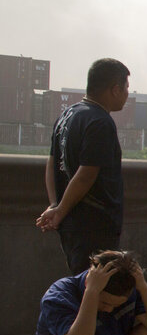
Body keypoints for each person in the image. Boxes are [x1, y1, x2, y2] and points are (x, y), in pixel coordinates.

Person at [37, 59, 131, 274]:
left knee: (80, 282)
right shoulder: (100, 122)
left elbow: (52, 162)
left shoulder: (68, 115)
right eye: (126, 87)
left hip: (71, 223)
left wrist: (55, 204)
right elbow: (86, 174)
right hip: (94, 223)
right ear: (115, 90)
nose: (127, 93)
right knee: (95, 290)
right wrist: (59, 210)